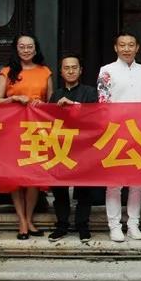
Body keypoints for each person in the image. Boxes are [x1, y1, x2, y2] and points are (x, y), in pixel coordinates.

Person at [0, 34, 53, 240]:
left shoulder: (45, 72)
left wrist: (42, 105)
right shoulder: (7, 72)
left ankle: (29, 217)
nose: (26, 50)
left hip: (36, 129)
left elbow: (51, 103)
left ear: (35, 49)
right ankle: (22, 221)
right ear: (16, 49)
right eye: (22, 47)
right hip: (12, 129)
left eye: (30, 47)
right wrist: (14, 98)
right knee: (15, 176)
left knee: (33, 176)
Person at [97, 31, 141, 242]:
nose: (127, 48)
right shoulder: (107, 70)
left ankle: (133, 224)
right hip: (115, 130)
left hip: (140, 131)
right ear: (116, 48)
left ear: (137, 48)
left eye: (131, 45)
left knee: (137, 181)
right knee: (114, 181)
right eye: (122, 45)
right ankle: (114, 225)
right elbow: (103, 102)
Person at [48, 53, 97, 243]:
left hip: (83, 147)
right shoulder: (55, 95)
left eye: (74, 67)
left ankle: (82, 225)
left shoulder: (90, 92)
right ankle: (61, 225)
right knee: (59, 188)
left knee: (84, 189)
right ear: (61, 72)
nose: (70, 71)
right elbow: (48, 119)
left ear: (80, 70)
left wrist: (74, 106)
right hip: (61, 146)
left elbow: (95, 115)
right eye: (66, 68)